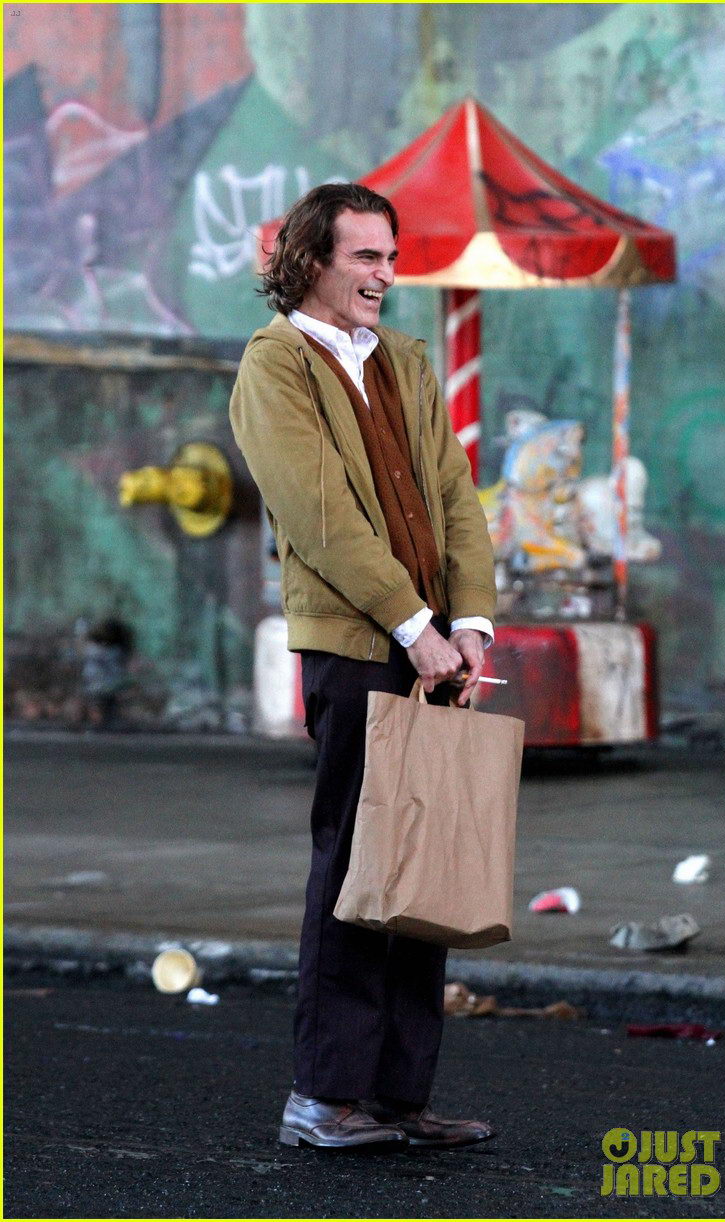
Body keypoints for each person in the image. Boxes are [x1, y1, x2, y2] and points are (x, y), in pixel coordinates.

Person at [230, 183, 497, 1150]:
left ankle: (394, 1097)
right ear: (310, 260)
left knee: (421, 866)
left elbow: (454, 495)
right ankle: (322, 1098)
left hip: (436, 647)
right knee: (352, 863)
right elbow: (320, 515)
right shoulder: (275, 364)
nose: (385, 275)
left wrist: (470, 621)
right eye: (365, 257)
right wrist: (412, 624)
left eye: (390, 257)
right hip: (357, 649)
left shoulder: (404, 360)